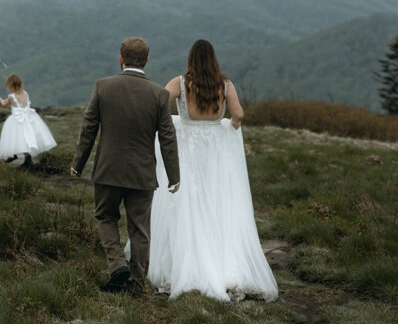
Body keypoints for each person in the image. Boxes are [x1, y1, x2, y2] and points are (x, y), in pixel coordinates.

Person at [148, 39, 277, 301]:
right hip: (215, 153)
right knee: (217, 202)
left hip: (187, 148)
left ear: (191, 59)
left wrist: (172, 122)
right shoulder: (225, 84)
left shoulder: (180, 83)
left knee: (185, 202)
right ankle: (224, 261)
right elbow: (238, 114)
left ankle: (184, 260)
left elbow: (159, 100)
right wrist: (229, 128)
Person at [71, 37, 180, 296]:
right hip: (142, 174)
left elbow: (88, 128)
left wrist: (78, 164)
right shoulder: (159, 94)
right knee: (140, 230)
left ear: (121, 58)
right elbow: (167, 138)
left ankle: (118, 266)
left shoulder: (103, 87)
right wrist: (174, 176)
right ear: (147, 60)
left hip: (108, 170)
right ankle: (137, 285)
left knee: (106, 217)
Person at [0, 73, 57, 163]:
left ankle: (25, 158)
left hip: (17, 120)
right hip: (28, 118)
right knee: (25, 137)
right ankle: (17, 155)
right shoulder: (25, 93)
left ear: (11, 86)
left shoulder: (11, 96)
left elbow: (4, 104)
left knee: (16, 138)